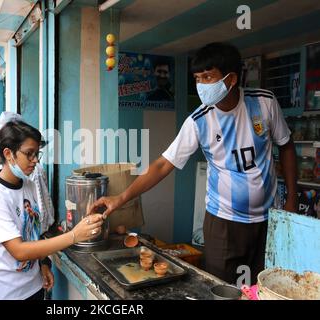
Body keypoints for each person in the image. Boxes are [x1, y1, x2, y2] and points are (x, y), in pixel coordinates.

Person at [91, 42, 297, 285]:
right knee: (221, 288)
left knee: (264, 285)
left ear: (230, 79)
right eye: (198, 78)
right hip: (224, 222)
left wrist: (292, 198)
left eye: (208, 77)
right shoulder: (199, 120)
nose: (202, 86)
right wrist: (121, 198)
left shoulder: (264, 103)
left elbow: (286, 145)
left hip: (267, 218)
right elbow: (162, 165)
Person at [0, 120, 104, 300]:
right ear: (8, 154)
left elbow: (33, 232)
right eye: (29, 154)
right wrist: (74, 235)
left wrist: (44, 263)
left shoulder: (28, 183)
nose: (35, 160)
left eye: (37, 154)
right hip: (3, 293)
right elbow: (18, 250)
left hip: (32, 286)